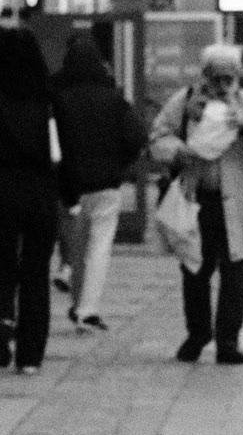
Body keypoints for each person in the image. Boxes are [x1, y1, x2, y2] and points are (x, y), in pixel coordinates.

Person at [149, 42, 243, 364]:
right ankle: (198, 334)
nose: (222, 86)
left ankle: (228, 341)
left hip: (238, 204)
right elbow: (158, 138)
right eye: (216, 78)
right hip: (197, 201)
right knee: (194, 270)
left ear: (237, 78)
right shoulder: (185, 103)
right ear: (205, 76)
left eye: (229, 79)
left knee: (236, 274)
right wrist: (179, 150)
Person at [51, 31, 144, 332]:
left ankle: (77, 303)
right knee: (99, 247)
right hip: (106, 184)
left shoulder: (60, 99)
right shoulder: (113, 99)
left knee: (75, 249)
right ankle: (87, 309)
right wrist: (120, 164)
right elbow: (136, 137)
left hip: (70, 186)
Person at [0, 24, 61, 374]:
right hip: (40, 194)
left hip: (2, 193)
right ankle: (30, 355)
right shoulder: (48, 99)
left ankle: (1, 337)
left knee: (2, 267)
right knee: (36, 273)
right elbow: (64, 152)